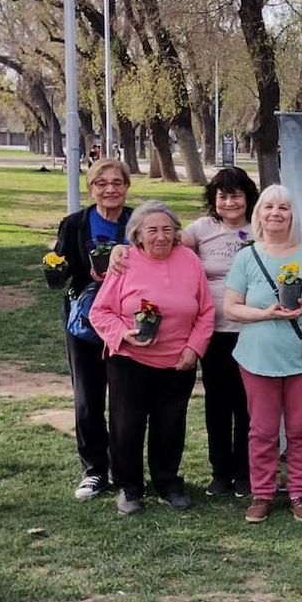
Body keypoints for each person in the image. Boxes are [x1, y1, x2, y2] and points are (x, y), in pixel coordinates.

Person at [89, 200, 215, 515]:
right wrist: (121, 334)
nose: (160, 236)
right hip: (130, 361)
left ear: (176, 233)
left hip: (178, 363)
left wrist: (194, 348)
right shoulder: (125, 261)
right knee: (126, 426)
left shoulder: (189, 260)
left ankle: (168, 484)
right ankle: (129, 488)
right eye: (152, 230)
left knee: (170, 425)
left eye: (167, 230)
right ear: (139, 235)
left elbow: (206, 311)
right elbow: (99, 311)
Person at [224, 185, 302, 524]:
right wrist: (265, 314)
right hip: (258, 356)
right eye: (269, 206)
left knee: (301, 428)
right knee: (262, 430)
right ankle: (262, 494)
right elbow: (231, 308)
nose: (276, 212)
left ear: (292, 215)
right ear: (259, 213)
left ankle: (300, 493)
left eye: (284, 207)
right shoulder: (246, 257)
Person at [53, 158, 133, 501]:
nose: (110, 189)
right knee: (88, 399)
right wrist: (54, 268)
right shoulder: (75, 224)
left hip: (130, 323)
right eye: (102, 184)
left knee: (125, 399)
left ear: (127, 187)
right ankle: (94, 470)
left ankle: (123, 468)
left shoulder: (138, 222)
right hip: (84, 322)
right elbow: (60, 268)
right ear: (91, 188)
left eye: (117, 183)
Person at [183, 168, 260, 497]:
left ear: (248, 197)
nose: (230, 202)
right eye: (223, 195)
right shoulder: (201, 229)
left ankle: (244, 473)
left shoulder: (260, 229)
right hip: (212, 331)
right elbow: (164, 246)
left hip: (252, 330)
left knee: (247, 405)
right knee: (216, 403)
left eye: (236, 195)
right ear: (214, 200)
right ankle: (220, 472)